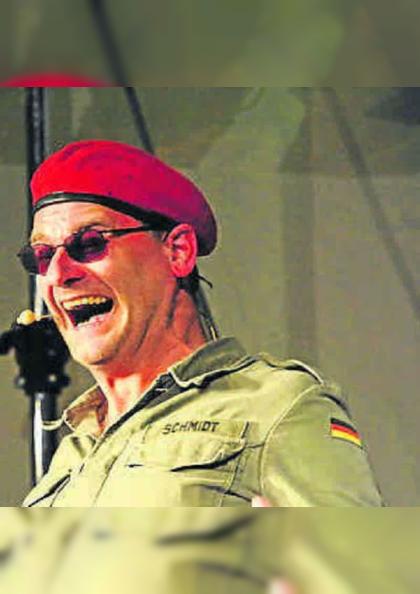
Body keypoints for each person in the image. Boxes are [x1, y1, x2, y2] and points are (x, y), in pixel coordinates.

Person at [20, 139, 383, 507]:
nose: (58, 274)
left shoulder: (277, 406)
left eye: (89, 243)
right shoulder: (73, 454)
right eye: (42, 256)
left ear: (178, 251)